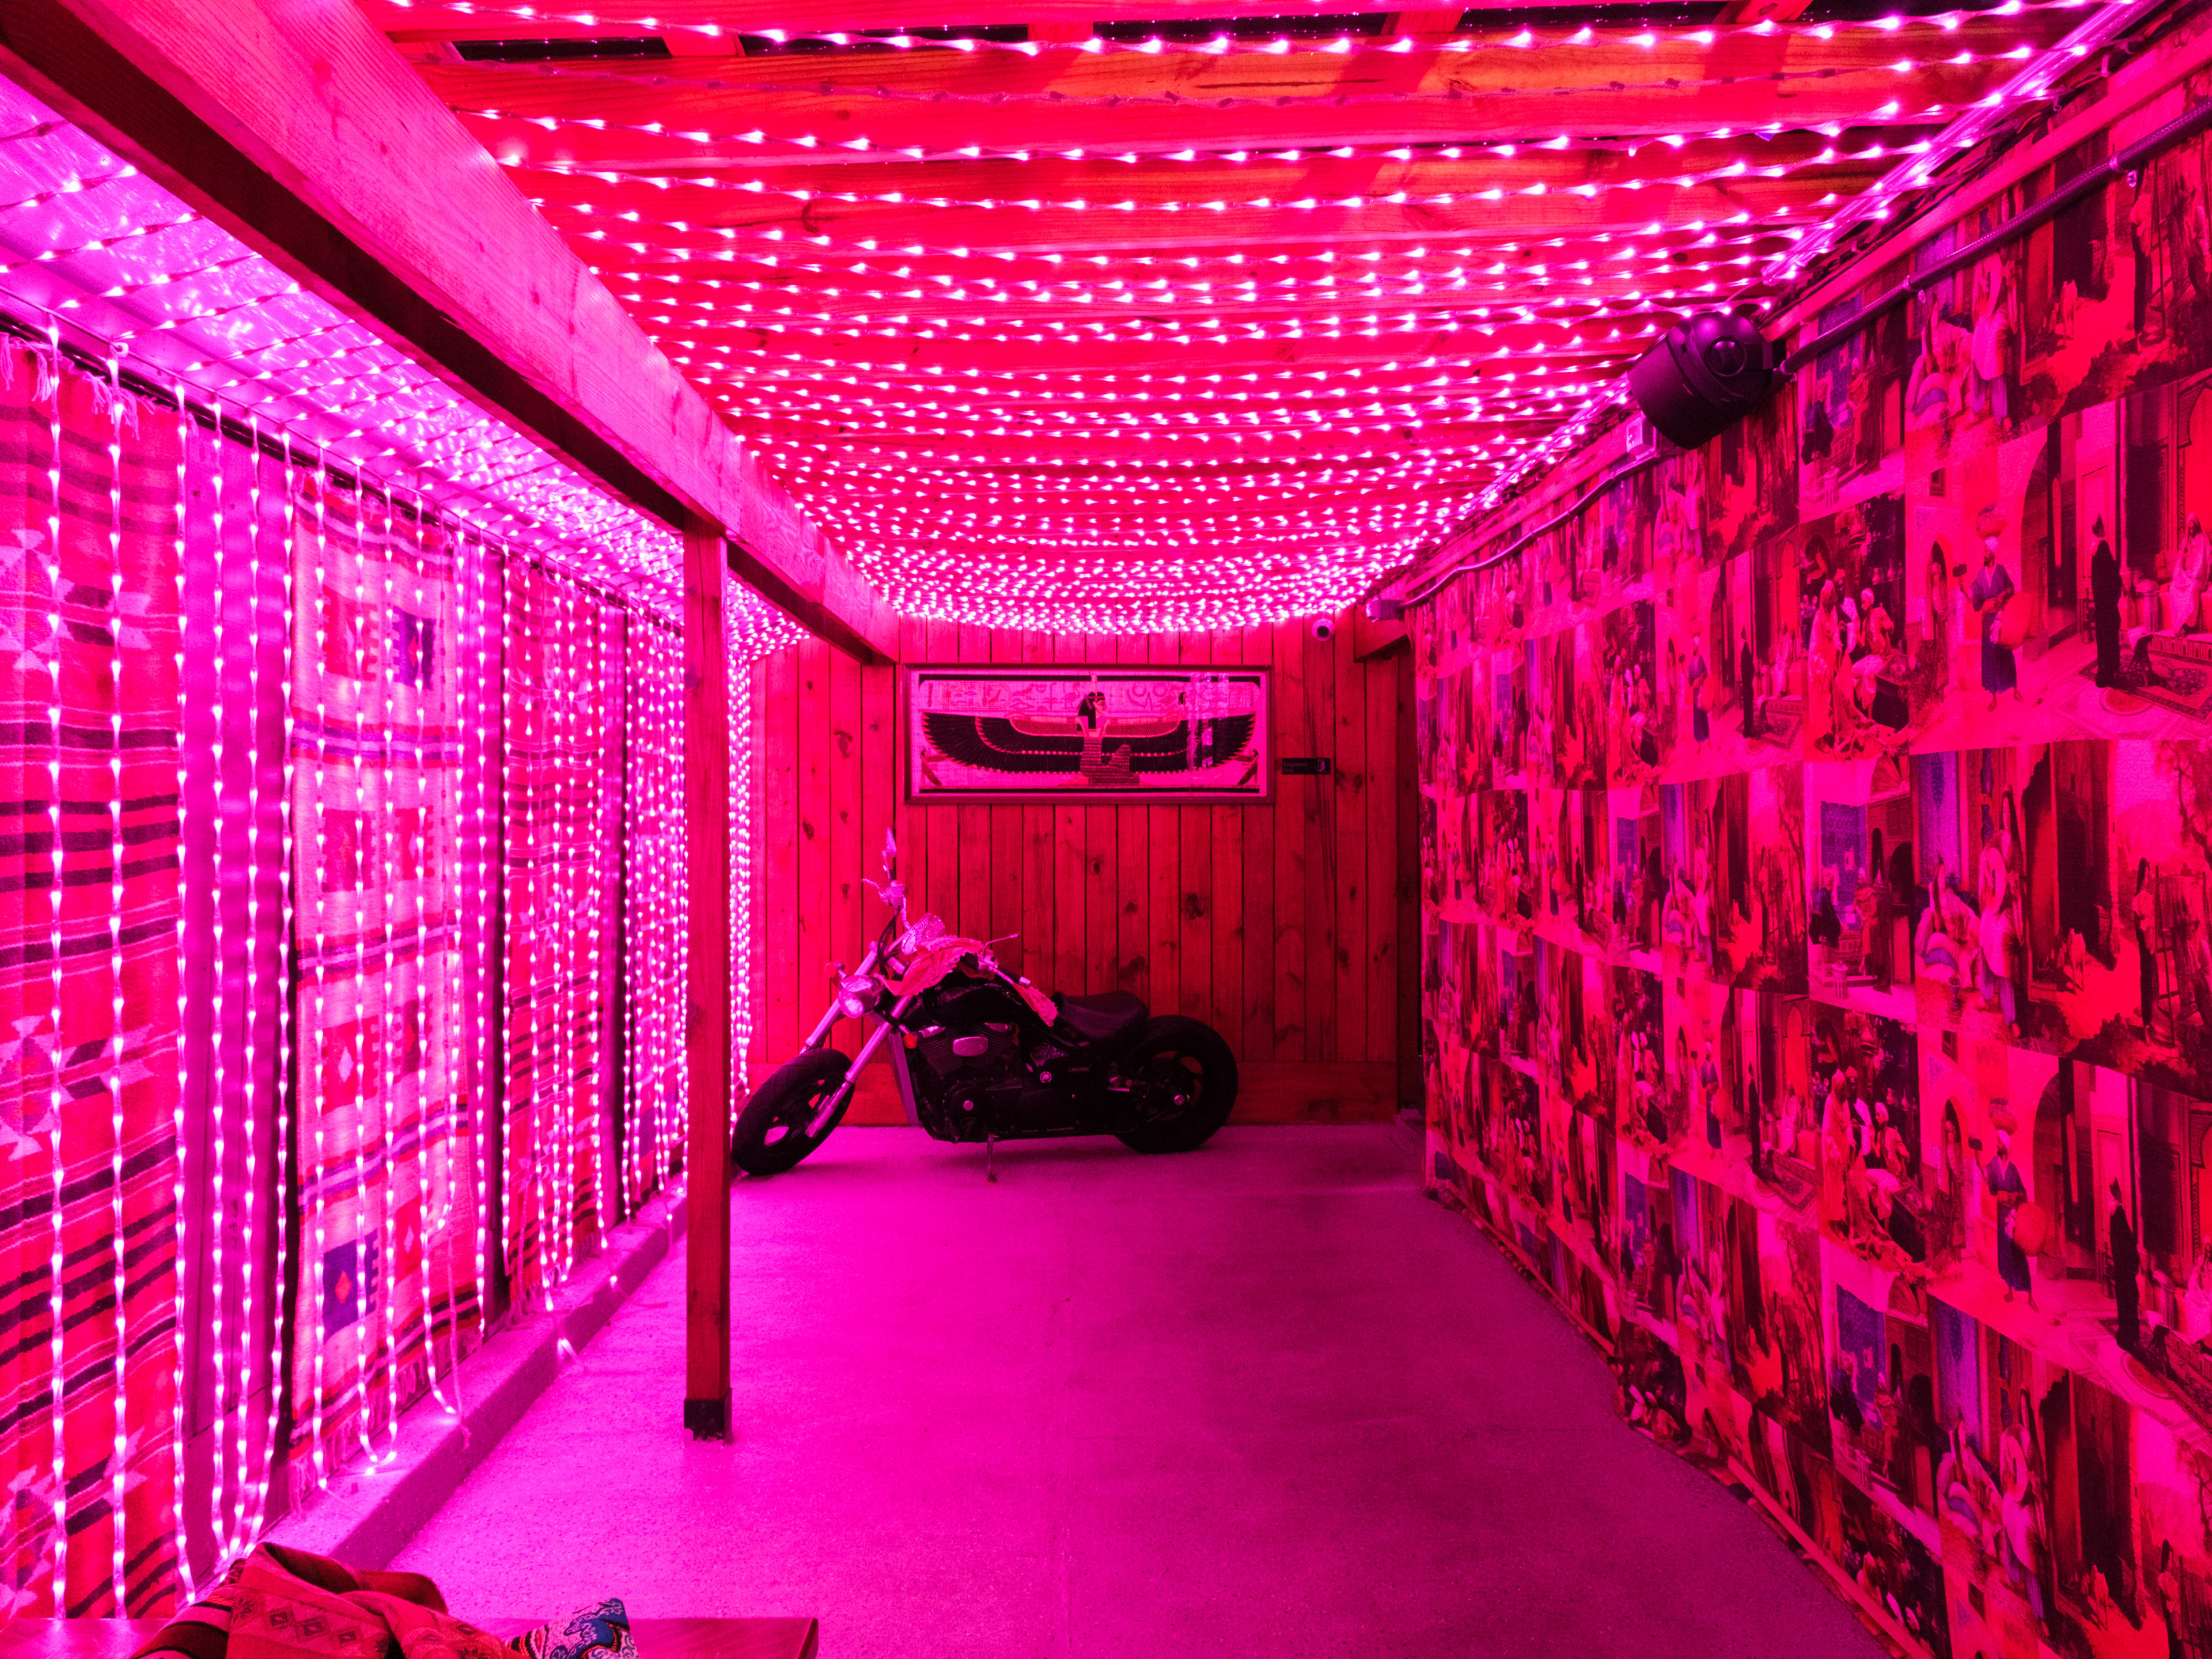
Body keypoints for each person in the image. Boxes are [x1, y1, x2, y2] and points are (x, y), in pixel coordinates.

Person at [1970, 535, 2024, 711]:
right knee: (1990, 658)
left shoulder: (2001, 571)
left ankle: (2015, 689)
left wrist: (2004, 593)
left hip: (2001, 620)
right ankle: (1993, 697)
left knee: (2005, 655)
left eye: (1987, 550)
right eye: (1984, 550)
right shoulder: (1980, 574)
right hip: (1987, 622)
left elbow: (2012, 588)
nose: (1984, 553)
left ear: (1993, 553)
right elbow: (1974, 595)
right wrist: (1964, 590)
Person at [1985, 1132, 2036, 1308]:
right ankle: (2009, 1290)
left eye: (1999, 1142)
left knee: (2018, 1254)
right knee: (2005, 1254)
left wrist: (2013, 1196)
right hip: (2001, 1217)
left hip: (2013, 1218)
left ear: (2005, 1146)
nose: (1997, 1145)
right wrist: (1977, 1161)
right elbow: (1989, 1183)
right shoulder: (1993, 1164)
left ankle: (2029, 1293)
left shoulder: (2013, 1169)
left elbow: (2023, 1192)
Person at [2092, 516, 2124, 686]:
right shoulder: (2103, 546)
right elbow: (2111, 572)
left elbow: (2100, 577)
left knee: (2103, 639)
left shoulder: (2094, 550)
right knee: (2111, 637)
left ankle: (2103, 674)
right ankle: (2111, 674)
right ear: (2100, 530)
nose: (2105, 530)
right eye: (2103, 528)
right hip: (2108, 604)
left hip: (2101, 604)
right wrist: (2119, 583)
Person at [2111, 1179, 2142, 1353]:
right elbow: (2126, 1242)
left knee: (2124, 1305)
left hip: (2123, 1270)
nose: (2122, 1194)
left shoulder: (2115, 1213)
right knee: (2129, 1305)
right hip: (2125, 1271)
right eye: (2119, 1192)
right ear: (2116, 1193)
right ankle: (2129, 1340)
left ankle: (2126, 1339)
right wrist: (2134, 1260)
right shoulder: (2119, 1213)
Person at [2170, 511, 2211, 633]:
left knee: (2192, 589)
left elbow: (2209, 560)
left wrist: (2206, 582)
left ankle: (2189, 626)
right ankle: (2180, 623)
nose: (2192, 531)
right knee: (2173, 587)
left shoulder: (2204, 539)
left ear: (2197, 527)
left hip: (2198, 577)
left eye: (2194, 529)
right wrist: (2179, 574)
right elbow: (2181, 560)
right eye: (2190, 529)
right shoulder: (2186, 541)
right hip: (2187, 575)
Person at [2135, 857, 2161, 1036]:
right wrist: (2148, 944)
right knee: (2147, 982)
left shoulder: (2147, 897)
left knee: (2153, 981)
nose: (2148, 878)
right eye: (2145, 875)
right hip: (2146, 944)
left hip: (2151, 942)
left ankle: (2150, 1023)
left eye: (2148, 874)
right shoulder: (2139, 899)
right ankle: (2145, 1025)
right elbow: (2142, 923)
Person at [1740, 630, 1758, 739]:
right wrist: (1753, 671)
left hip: (1746, 684)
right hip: (1748, 685)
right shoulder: (1746, 651)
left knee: (1747, 709)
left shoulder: (1742, 652)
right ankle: (1749, 730)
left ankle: (1746, 731)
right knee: (1749, 709)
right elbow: (1750, 668)